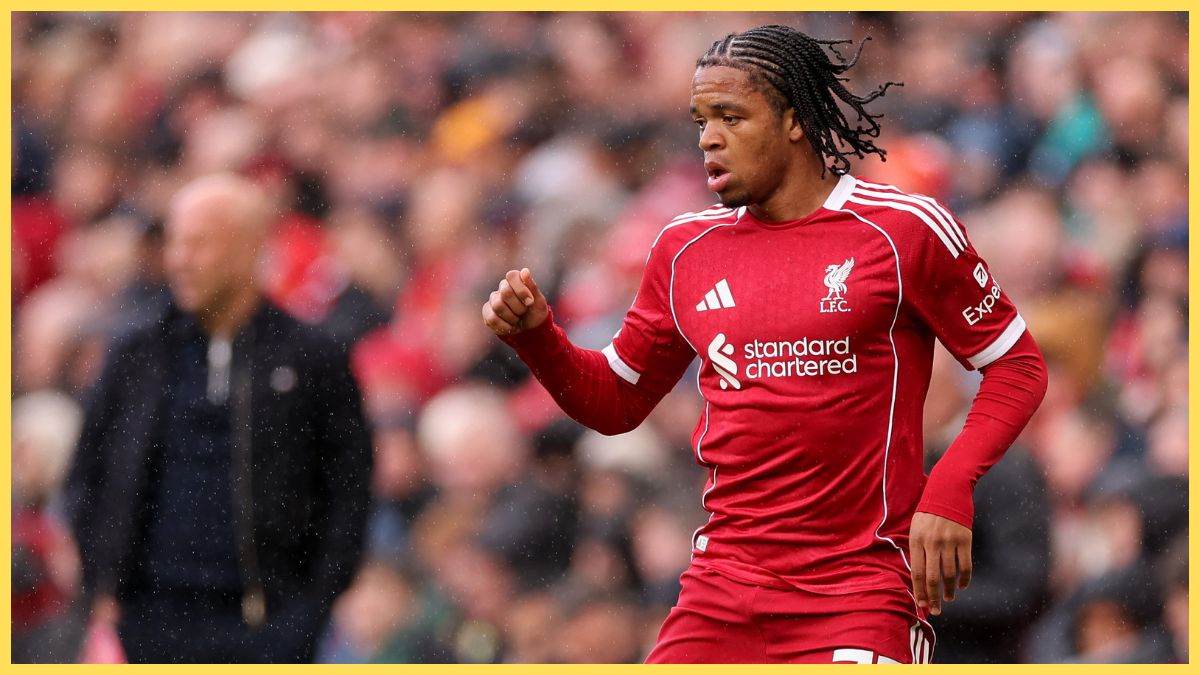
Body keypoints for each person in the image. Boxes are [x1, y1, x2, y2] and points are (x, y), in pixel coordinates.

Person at [483, 24, 1048, 664]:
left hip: (857, 594)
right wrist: (539, 340)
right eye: (700, 121)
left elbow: (1017, 366)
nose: (709, 139)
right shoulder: (685, 248)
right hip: (721, 588)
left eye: (731, 116)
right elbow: (616, 401)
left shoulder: (901, 230)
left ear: (794, 121)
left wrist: (948, 488)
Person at [64, 173, 373, 663]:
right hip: (152, 618)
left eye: (199, 244)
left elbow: (349, 486)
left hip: (270, 623)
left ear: (250, 249)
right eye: (176, 244)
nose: (180, 260)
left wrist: (316, 602)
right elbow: (89, 476)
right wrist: (104, 587)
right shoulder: (137, 355)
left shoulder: (314, 357)